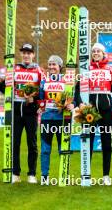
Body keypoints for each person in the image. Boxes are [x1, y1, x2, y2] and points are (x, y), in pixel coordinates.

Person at [0, 43, 43, 183]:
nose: (26, 55)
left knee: (32, 144)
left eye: (29, 53)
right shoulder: (14, 69)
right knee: (14, 143)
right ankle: (15, 173)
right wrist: (0, 83)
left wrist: (33, 98)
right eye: (24, 52)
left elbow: (42, 91)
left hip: (30, 112)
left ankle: (32, 174)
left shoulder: (38, 70)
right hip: (16, 111)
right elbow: (6, 90)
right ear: (21, 54)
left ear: (33, 55)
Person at [75, 42, 112, 185]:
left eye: (98, 51)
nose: (96, 53)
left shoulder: (111, 69)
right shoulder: (86, 69)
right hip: (90, 111)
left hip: (105, 111)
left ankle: (106, 175)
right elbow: (77, 90)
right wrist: (80, 103)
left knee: (106, 143)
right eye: (94, 51)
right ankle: (86, 174)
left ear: (104, 53)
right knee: (88, 141)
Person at [39, 55, 74, 185]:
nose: (52, 67)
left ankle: (64, 175)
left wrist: (71, 104)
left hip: (62, 119)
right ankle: (44, 177)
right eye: (50, 64)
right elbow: (41, 99)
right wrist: (39, 107)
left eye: (54, 64)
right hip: (47, 119)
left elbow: (73, 98)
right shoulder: (44, 81)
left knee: (63, 148)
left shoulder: (67, 81)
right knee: (45, 149)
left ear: (60, 66)